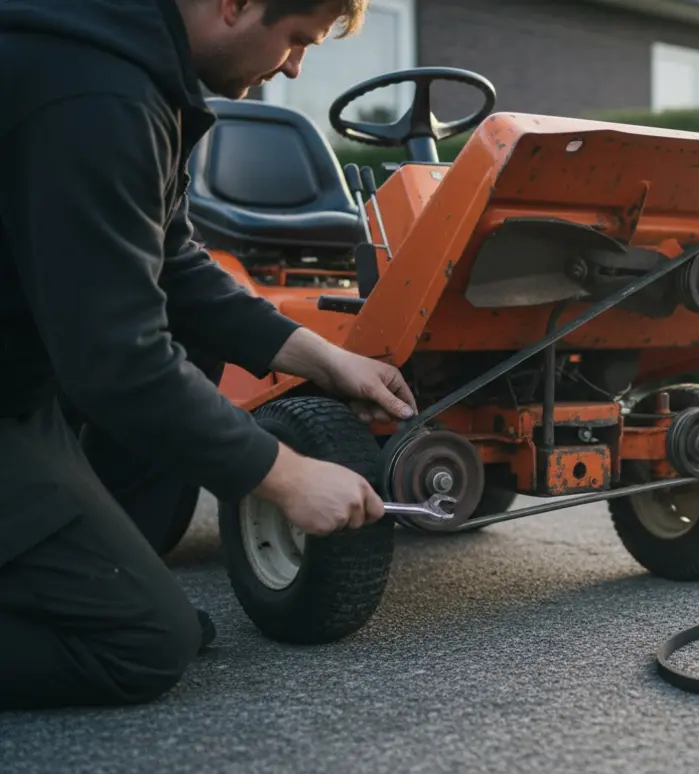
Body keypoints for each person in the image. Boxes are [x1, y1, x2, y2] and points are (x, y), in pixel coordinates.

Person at [0, 0, 405, 710]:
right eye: (296, 41)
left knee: (192, 343)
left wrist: (322, 357)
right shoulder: (95, 96)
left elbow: (170, 260)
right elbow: (118, 363)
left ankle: (88, 576)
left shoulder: (134, 68)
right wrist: (284, 476)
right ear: (234, 5)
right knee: (139, 645)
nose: (295, 67)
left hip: (25, 374)